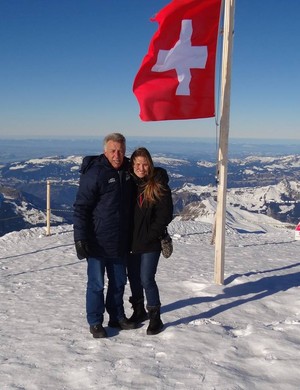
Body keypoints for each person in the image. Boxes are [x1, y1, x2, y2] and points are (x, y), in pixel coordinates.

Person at [73, 133, 137, 338]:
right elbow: (82, 207)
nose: (117, 155)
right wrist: (80, 238)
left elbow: (149, 176)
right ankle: (95, 321)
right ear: (105, 151)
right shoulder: (95, 173)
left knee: (119, 282)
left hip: (119, 240)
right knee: (96, 284)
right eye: (113, 151)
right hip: (97, 241)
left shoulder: (129, 171)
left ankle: (117, 316)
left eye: (120, 150)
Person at [127, 147, 173, 335]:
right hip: (129, 241)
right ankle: (138, 311)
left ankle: (155, 317)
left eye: (145, 164)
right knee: (134, 279)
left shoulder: (158, 184)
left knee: (147, 279)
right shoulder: (128, 183)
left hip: (150, 242)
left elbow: (165, 215)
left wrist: (150, 235)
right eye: (137, 164)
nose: (141, 168)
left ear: (150, 164)